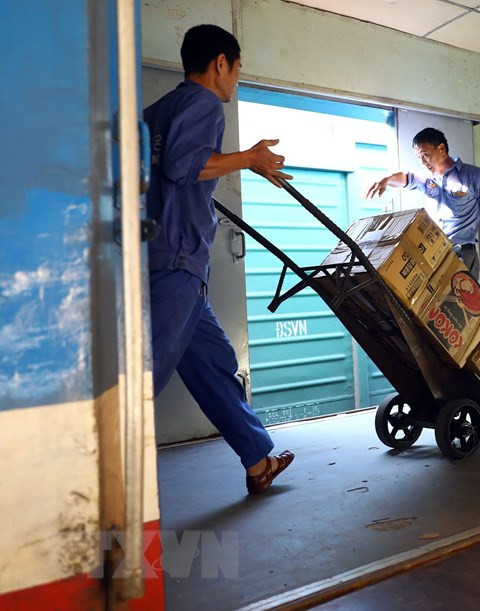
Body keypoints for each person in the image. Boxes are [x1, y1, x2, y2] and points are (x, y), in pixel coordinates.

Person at [144, 24, 294, 495]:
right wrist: (248, 159)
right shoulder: (204, 103)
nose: (236, 80)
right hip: (176, 259)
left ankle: (257, 462)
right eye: (237, 69)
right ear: (220, 64)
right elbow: (184, 166)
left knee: (213, 361)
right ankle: (88, 471)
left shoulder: (159, 109)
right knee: (143, 374)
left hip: (168, 256)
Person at [366, 127, 480, 282]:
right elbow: (405, 177)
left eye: (425, 155)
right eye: (418, 157)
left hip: (460, 255)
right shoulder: (427, 178)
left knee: (462, 304)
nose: (422, 162)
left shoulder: (473, 175)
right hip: (431, 256)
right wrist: (386, 179)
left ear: (441, 148)